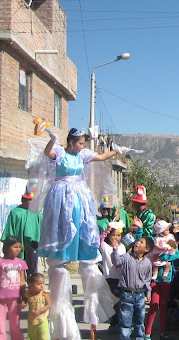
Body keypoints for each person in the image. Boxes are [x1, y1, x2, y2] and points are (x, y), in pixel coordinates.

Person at [31, 128, 119, 340]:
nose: (82, 146)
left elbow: (100, 156)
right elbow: (47, 154)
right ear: (71, 142)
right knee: (64, 228)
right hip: (61, 195)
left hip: (79, 195)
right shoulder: (60, 152)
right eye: (80, 143)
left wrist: (116, 151)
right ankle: (62, 323)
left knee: (82, 226)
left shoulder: (83, 155)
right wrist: (51, 140)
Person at [144, 217, 179, 340]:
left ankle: (162, 331)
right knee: (154, 305)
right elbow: (151, 254)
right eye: (166, 229)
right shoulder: (156, 240)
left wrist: (164, 258)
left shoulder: (171, 239)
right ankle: (147, 333)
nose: (168, 230)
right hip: (154, 279)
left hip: (166, 278)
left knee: (163, 305)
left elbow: (176, 254)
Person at [112, 236, 153, 340]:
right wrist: (115, 250)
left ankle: (139, 337)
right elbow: (116, 262)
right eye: (137, 241)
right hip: (127, 294)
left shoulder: (147, 263)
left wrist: (148, 292)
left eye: (141, 242)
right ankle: (125, 337)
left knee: (139, 319)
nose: (137, 243)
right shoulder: (126, 257)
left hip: (140, 295)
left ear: (146, 249)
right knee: (126, 320)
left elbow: (147, 279)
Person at [1, 183, 41, 276]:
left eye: (32, 200)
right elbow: (10, 228)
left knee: (32, 266)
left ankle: (32, 286)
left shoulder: (37, 212)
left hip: (33, 244)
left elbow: (41, 227)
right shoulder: (15, 212)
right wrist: (10, 243)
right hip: (17, 243)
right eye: (28, 200)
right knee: (17, 265)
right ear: (24, 200)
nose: (30, 202)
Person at [99, 221, 126, 333]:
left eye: (118, 235)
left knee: (120, 302)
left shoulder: (122, 247)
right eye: (113, 235)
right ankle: (114, 323)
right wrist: (107, 230)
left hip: (120, 277)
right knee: (114, 301)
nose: (116, 237)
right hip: (110, 277)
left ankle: (117, 323)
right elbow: (99, 240)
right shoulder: (105, 246)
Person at [0, 236, 27, 340]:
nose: (18, 250)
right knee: (0, 324)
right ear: (7, 248)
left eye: (19, 247)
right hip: (1, 297)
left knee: (15, 323)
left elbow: (22, 280)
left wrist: (24, 297)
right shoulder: (1, 262)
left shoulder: (21, 263)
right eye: (15, 247)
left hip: (15, 297)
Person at [25, 273, 50, 340]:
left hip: (42, 320)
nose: (42, 286)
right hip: (32, 320)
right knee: (32, 337)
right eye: (39, 284)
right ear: (31, 284)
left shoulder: (44, 294)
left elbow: (48, 305)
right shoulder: (28, 293)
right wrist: (22, 303)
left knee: (43, 337)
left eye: (43, 283)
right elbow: (24, 301)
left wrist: (40, 311)